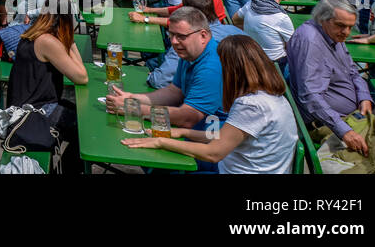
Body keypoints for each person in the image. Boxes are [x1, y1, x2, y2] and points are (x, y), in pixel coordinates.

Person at [122, 35, 297, 174]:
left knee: (161, 162)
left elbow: (214, 153)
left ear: (232, 69)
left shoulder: (252, 106)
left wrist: (160, 142)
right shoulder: (270, 96)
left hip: (230, 169)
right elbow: (224, 137)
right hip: (237, 165)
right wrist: (182, 132)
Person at [285, 0, 375, 172]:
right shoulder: (310, 41)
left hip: (355, 118)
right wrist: (345, 131)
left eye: (350, 27)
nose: (346, 32)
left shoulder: (333, 36)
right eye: (341, 25)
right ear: (322, 19)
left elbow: (353, 71)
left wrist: (364, 97)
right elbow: (310, 96)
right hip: (330, 125)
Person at [107, 6, 223, 131]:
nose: (174, 41)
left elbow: (189, 118)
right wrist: (132, 99)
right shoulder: (191, 53)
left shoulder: (211, 67)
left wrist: (135, 109)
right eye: (171, 34)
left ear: (203, 36)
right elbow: (175, 92)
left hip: (214, 137)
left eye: (181, 36)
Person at [7, 0, 88, 167]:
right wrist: (70, 39)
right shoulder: (47, 42)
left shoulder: (34, 32)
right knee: (87, 129)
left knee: (81, 114)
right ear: (66, 18)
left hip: (26, 106)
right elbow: (81, 76)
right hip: (34, 113)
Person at [232, 0, 294, 68]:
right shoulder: (282, 17)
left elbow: (235, 20)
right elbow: (293, 45)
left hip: (251, 58)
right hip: (275, 63)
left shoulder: (250, 5)